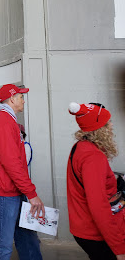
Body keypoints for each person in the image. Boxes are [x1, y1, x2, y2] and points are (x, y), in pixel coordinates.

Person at [0, 84, 44, 260]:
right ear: (12, 99)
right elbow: (12, 163)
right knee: (1, 246)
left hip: (14, 191)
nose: (23, 100)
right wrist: (31, 193)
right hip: (6, 194)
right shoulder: (3, 121)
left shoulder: (7, 121)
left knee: (27, 239)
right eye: (21, 97)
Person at [67, 102, 125, 260]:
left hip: (82, 228)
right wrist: (119, 248)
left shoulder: (80, 147)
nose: (112, 125)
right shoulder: (93, 157)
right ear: (100, 128)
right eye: (108, 123)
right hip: (95, 232)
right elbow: (98, 205)